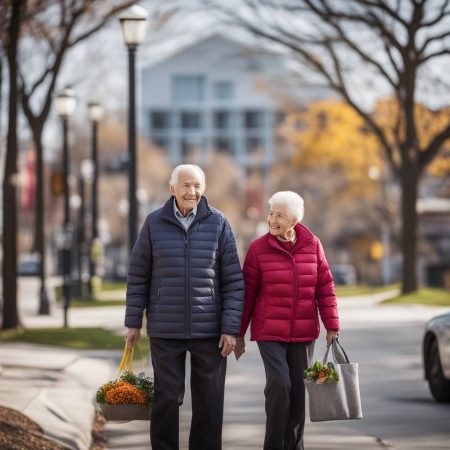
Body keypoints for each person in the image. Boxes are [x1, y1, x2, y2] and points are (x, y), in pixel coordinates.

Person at [124, 164, 244, 450]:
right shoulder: (154, 223)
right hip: (166, 329)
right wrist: (133, 323)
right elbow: (138, 275)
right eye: (186, 185)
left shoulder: (219, 223)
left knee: (210, 404)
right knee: (165, 399)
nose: (192, 191)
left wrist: (230, 329)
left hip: (210, 331)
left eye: (197, 185)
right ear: (173, 189)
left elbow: (233, 281)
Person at [234, 191, 339, 450]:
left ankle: (294, 446)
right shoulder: (258, 249)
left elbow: (324, 286)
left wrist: (332, 325)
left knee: (297, 394)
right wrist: (238, 333)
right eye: (271, 213)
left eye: (279, 215)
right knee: (280, 384)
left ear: (294, 220)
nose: (272, 219)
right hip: (269, 330)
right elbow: (247, 294)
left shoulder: (313, 245)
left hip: (303, 332)